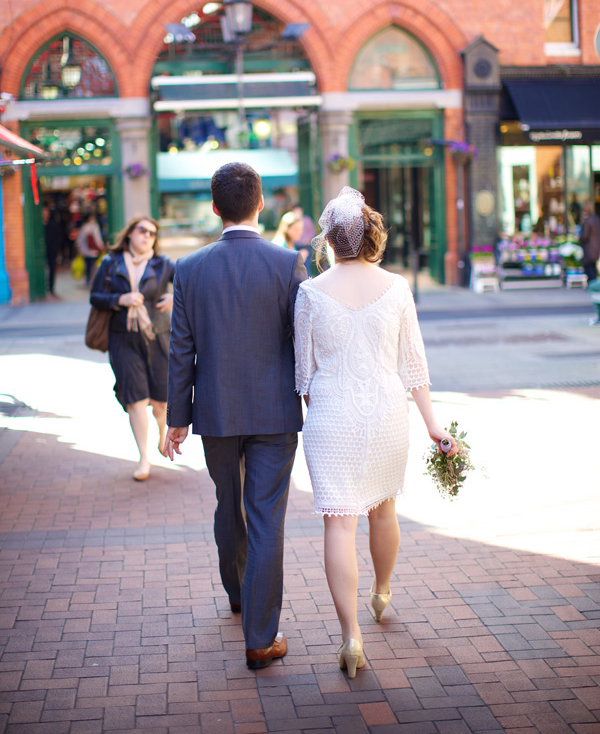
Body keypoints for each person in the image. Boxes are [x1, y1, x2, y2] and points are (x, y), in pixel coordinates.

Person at [293, 187, 456, 678]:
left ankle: (350, 639)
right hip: (388, 415)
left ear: (329, 239)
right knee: (384, 510)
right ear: (370, 235)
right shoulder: (398, 287)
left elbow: (302, 375)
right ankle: (381, 595)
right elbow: (415, 367)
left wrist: (320, 411)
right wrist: (433, 426)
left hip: (330, 418)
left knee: (338, 523)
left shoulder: (309, 293)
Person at [162, 162, 307, 670]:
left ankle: (240, 596)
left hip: (217, 412)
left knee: (230, 504)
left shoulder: (190, 267)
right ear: (261, 202)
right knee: (266, 517)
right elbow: (304, 344)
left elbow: (182, 350)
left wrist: (176, 417)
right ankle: (260, 637)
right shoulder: (288, 263)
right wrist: (312, 400)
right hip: (274, 412)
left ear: (216, 206)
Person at [90, 217, 175, 481]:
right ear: (129, 234)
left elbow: (189, 286)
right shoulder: (110, 264)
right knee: (135, 400)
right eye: (142, 231)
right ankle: (143, 459)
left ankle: (163, 434)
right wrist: (120, 299)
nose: (147, 236)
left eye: (152, 233)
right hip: (123, 339)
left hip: (158, 337)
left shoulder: (163, 264)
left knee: (160, 401)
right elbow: (95, 297)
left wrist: (175, 297)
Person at [77, 212, 104, 285]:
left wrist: (80, 249)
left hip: (85, 251)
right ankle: (92, 279)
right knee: (93, 265)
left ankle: (88, 279)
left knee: (87, 265)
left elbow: (80, 239)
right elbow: (98, 238)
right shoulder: (95, 226)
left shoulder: (84, 227)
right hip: (93, 251)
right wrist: (101, 246)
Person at [42, 204, 62, 297]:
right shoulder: (39, 226)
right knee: (43, 267)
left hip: (52, 249)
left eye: (47, 212)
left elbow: (58, 237)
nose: (45, 214)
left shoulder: (53, 224)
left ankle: (51, 287)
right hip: (42, 250)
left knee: (52, 267)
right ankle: (43, 285)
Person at [578, 201, 600, 282]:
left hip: (589, 247)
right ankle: (593, 283)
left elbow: (584, 236)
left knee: (589, 267)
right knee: (593, 266)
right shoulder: (596, 219)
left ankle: (592, 284)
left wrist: (579, 238)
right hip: (596, 247)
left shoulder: (588, 221)